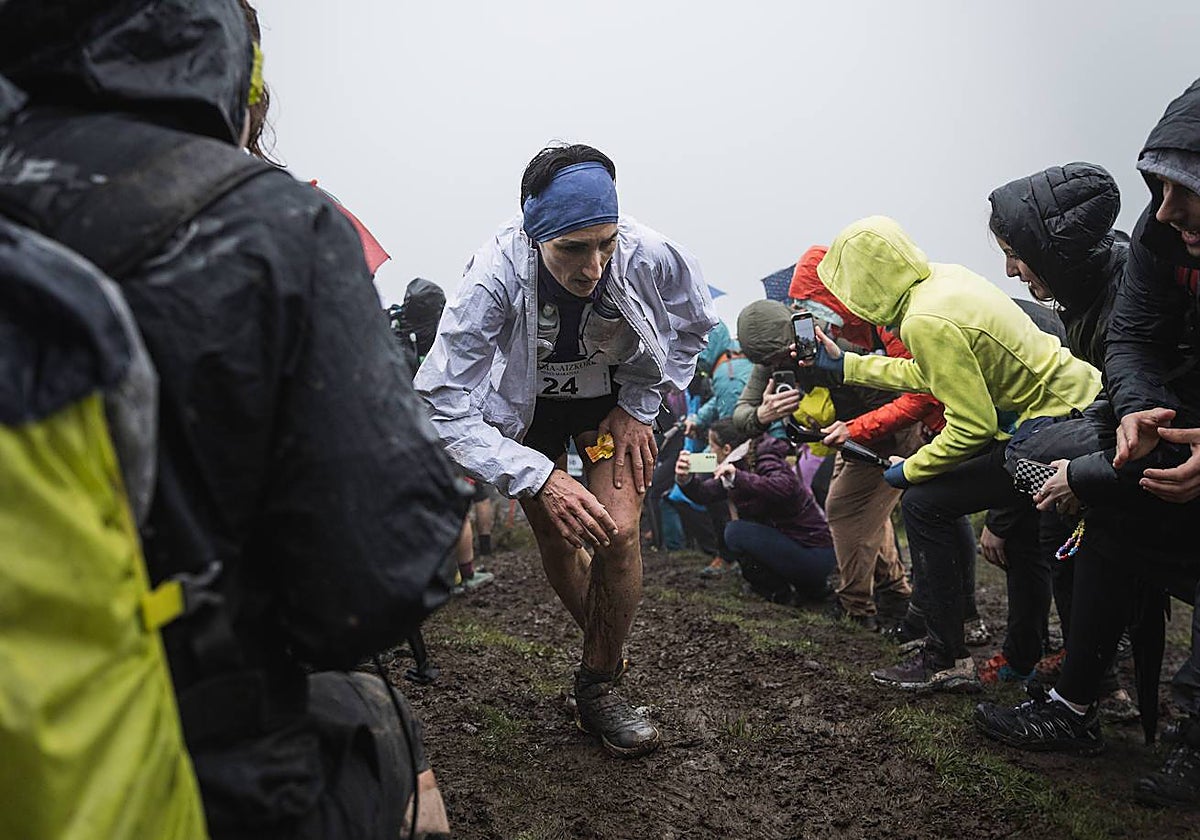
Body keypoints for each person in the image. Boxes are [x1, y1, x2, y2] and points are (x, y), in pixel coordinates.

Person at [0, 3, 465, 836]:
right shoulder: (278, 225)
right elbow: (371, 593)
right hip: (176, 757)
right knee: (379, 727)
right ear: (232, 74)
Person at [415, 142, 718, 758]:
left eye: (605, 244)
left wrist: (639, 407)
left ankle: (597, 685)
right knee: (559, 535)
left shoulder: (650, 253)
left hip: (609, 398)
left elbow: (694, 325)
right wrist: (536, 476)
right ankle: (607, 652)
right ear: (535, 236)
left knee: (619, 533)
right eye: (573, 250)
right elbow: (442, 401)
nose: (593, 267)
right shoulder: (492, 276)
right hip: (529, 408)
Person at [975, 78, 1200, 808]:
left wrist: (1088, 468)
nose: (1165, 210)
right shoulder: (1159, 246)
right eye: (1159, 187)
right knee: (1081, 500)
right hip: (1170, 435)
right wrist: (1135, 416)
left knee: (1054, 470)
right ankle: (1079, 693)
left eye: (1188, 188)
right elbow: (1135, 343)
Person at [811, 216, 1101, 692]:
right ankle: (1041, 663)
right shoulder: (942, 282)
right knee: (1029, 539)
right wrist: (848, 365)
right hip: (1078, 408)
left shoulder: (923, 320)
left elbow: (973, 426)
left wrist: (910, 469)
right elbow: (931, 374)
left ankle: (946, 657)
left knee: (925, 503)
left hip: (1053, 430)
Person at [982, 162, 1138, 722]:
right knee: (1057, 510)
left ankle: (1092, 692)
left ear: (1053, 250)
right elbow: (1116, 400)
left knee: (1079, 513)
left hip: (1157, 455)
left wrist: (1082, 472)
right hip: (1121, 436)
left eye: (1016, 253)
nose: (1010, 269)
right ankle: (1089, 677)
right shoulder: (1087, 296)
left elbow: (1145, 409)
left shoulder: (1125, 296)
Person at [785, 245, 950, 633]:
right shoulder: (856, 328)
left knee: (845, 509)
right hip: (876, 428)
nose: (805, 315)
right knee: (869, 512)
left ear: (832, 297)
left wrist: (855, 427)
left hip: (908, 429)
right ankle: (895, 592)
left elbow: (919, 393)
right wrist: (824, 366)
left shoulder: (891, 325)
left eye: (810, 305)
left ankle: (858, 605)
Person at [675, 419, 835, 603]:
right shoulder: (738, 465)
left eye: (712, 446)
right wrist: (685, 480)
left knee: (736, 532)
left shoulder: (763, 457)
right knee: (741, 531)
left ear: (726, 449)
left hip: (813, 551)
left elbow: (785, 486)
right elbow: (705, 493)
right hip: (804, 547)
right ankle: (805, 589)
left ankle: (782, 592)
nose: (709, 452)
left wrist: (738, 478)